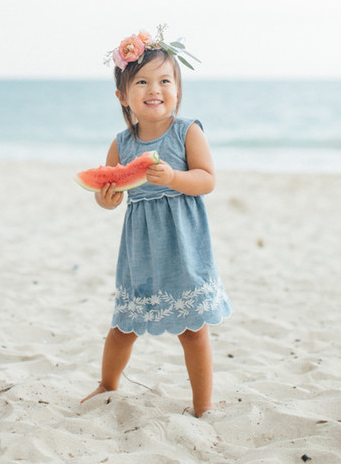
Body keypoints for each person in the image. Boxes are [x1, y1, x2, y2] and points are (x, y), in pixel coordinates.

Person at [81, 27, 232, 416]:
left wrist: (174, 178)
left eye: (165, 81)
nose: (155, 89)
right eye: (142, 82)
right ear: (122, 95)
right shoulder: (122, 143)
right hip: (140, 253)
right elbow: (111, 194)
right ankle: (107, 384)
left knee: (193, 331)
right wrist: (106, 197)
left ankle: (202, 406)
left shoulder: (187, 132)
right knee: (123, 327)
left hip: (184, 249)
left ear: (178, 90)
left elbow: (207, 180)